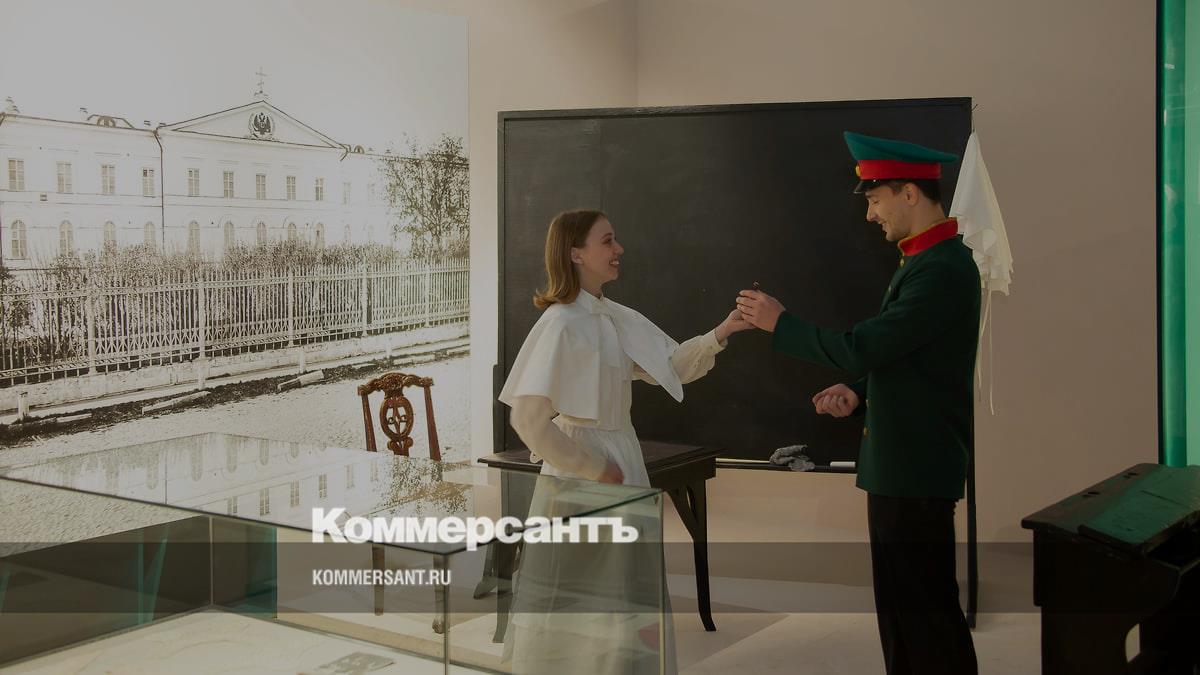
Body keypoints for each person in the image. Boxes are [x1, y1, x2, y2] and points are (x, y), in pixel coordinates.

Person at [736, 132, 981, 675]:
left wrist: (782, 324)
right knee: (903, 610)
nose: (871, 215)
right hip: (902, 462)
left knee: (925, 613)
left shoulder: (941, 268)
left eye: (875, 199)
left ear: (909, 193)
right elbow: (908, 354)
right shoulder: (924, 260)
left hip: (914, 465)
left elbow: (866, 345)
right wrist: (860, 390)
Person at [498, 208, 750, 674]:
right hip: (582, 472)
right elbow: (528, 419)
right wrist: (592, 468)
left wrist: (721, 333)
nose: (619, 250)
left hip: (623, 458)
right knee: (583, 588)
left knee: (625, 589)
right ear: (576, 253)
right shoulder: (560, 323)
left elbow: (669, 367)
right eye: (607, 241)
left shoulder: (615, 316)